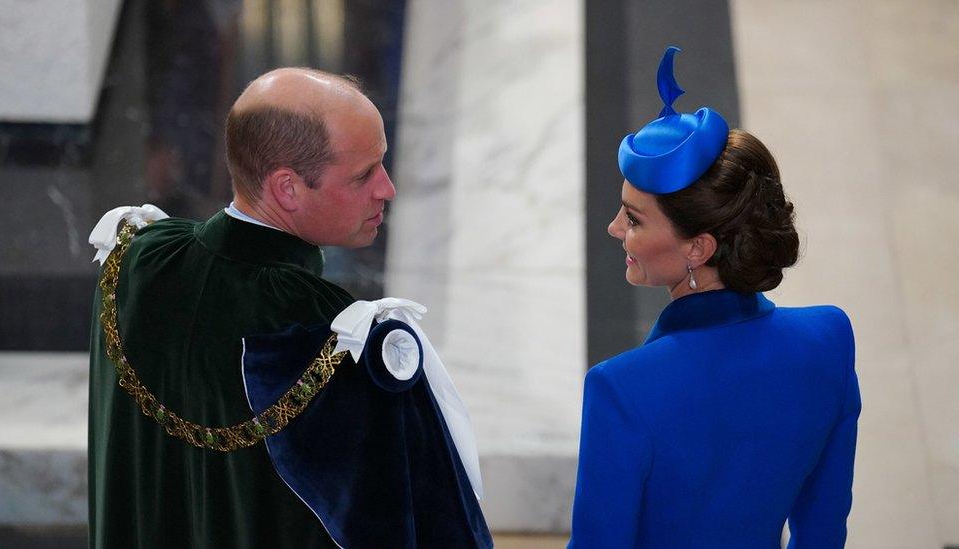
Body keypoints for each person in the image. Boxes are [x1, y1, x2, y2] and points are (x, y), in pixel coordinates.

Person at [88, 68, 491, 548]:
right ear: (287, 189)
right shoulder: (329, 333)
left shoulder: (135, 258)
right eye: (364, 175)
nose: (387, 189)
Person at [569, 47, 861, 548]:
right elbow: (824, 528)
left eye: (633, 219)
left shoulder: (621, 390)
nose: (614, 228)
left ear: (699, 248)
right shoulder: (830, 337)